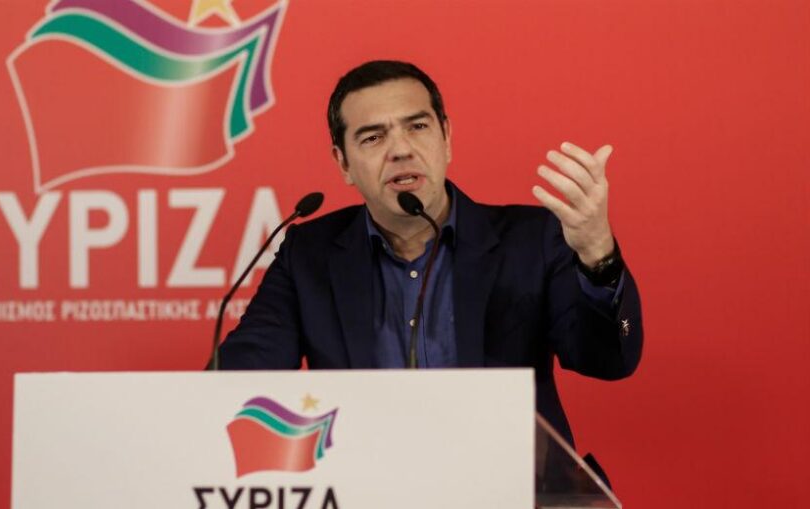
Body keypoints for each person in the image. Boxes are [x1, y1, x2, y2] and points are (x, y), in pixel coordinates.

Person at [218, 60, 642, 446]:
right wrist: (196, 403)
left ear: (446, 138)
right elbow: (240, 374)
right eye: (373, 137)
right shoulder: (309, 255)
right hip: (370, 484)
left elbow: (608, 359)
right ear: (343, 163)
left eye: (417, 126)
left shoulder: (532, 239)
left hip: (507, 483)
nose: (401, 149)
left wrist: (598, 255)